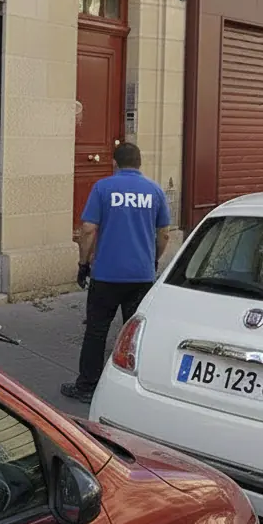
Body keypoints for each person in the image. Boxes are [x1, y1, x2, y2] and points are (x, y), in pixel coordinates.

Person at [62, 142, 170, 404]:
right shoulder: (155, 191)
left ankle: (87, 386)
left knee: (97, 331)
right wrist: (152, 260)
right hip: (141, 276)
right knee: (135, 334)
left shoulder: (103, 188)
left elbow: (88, 229)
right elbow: (164, 234)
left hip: (107, 275)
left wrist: (83, 263)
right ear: (140, 162)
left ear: (114, 163)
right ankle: (137, 389)